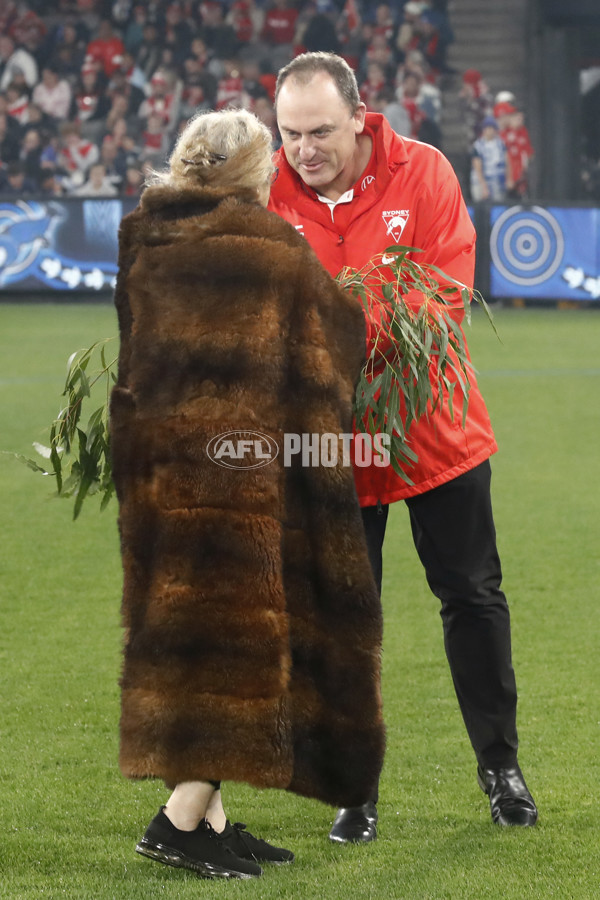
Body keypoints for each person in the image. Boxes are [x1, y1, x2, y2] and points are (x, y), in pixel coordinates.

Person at [269, 51, 538, 843]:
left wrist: (330, 333)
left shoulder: (424, 173)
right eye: (290, 133)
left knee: (473, 600)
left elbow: (442, 297)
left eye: (320, 131)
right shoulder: (267, 190)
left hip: (434, 433)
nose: (304, 150)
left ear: (360, 116)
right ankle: (356, 789)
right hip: (332, 447)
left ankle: (501, 769)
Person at [110, 107, 385, 880]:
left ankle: (213, 824)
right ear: (249, 173)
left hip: (161, 479)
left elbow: (133, 357)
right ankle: (177, 822)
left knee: (185, 643)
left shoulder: (146, 241)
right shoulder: (272, 249)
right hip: (240, 485)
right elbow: (335, 348)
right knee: (237, 652)